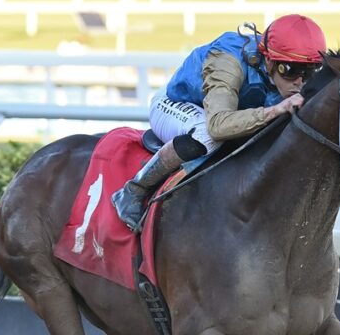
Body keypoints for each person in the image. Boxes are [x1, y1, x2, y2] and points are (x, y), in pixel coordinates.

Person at [111, 14, 327, 231]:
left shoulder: (285, 71)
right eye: (289, 70)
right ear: (269, 59)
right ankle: (134, 190)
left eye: (309, 72)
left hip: (225, 111)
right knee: (207, 135)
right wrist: (275, 110)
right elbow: (218, 125)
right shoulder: (228, 60)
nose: (300, 81)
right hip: (176, 104)